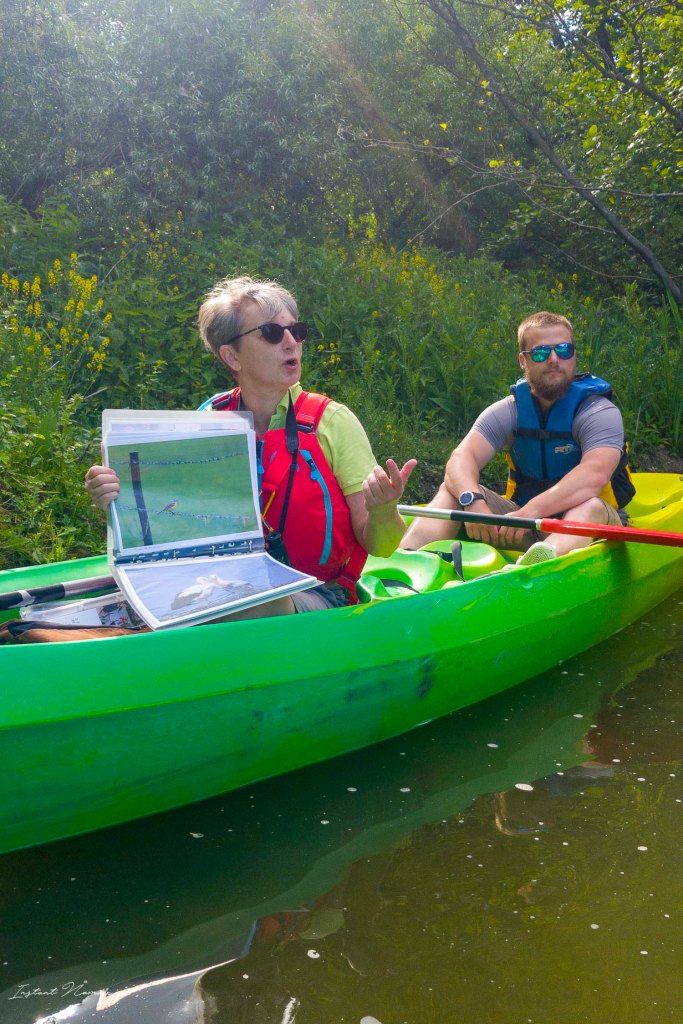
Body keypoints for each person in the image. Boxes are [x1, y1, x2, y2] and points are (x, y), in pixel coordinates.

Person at [85, 275, 416, 617]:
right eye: (273, 333)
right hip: (220, 582)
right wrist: (113, 494)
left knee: (251, 603)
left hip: (316, 594)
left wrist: (382, 510)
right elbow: (168, 515)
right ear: (232, 357)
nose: (291, 343)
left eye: (296, 331)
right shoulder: (210, 420)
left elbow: (384, 545)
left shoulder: (333, 423)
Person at [401, 311, 634, 563]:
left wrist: (530, 512)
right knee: (453, 490)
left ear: (574, 355)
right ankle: (404, 565)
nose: (554, 359)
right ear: (523, 361)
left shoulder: (598, 412)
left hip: (591, 526)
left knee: (589, 505)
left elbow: (594, 474)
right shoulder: (510, 410)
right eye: (541, 353)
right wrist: (473, 502)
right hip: (524, 521)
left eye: (564, 350)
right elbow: (461, 458)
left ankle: (532, 571)